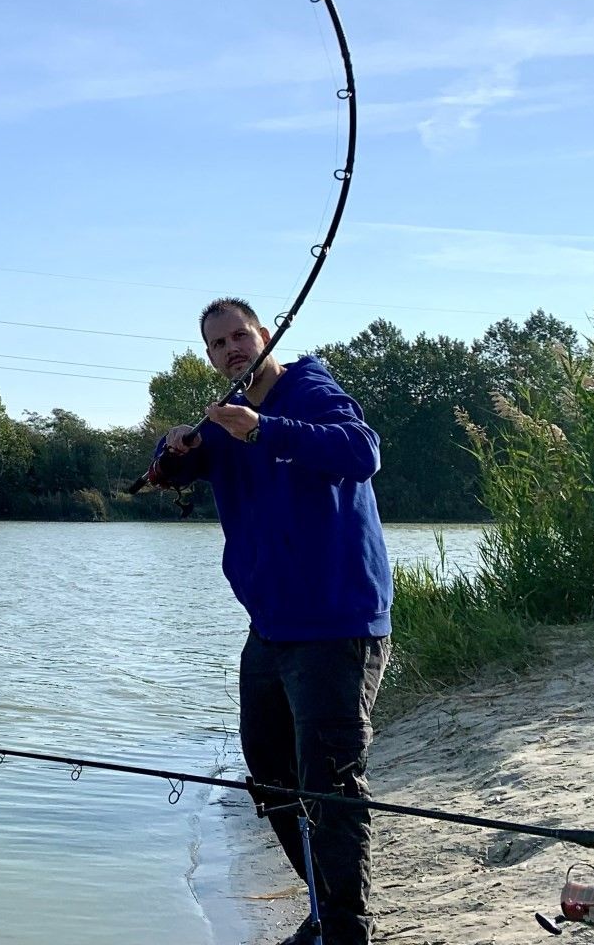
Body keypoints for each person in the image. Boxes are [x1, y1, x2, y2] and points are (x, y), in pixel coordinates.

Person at [147, 297, 392, 945]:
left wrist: (263, 429)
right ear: (210, 357)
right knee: (269, 769)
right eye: (219, 343)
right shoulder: (223, 421)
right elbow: (171, 471)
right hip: (273, 628)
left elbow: (361, 452)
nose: (232, 348)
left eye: (240, 335)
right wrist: (171, 452)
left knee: (332, 784)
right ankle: (322, 910)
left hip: (339, 624)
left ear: (265, 334)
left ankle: (347, 933)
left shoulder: (308, 390)